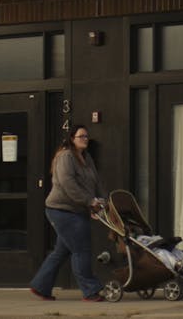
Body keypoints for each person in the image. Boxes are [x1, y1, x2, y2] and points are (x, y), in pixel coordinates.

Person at [28, 124, 106, 302]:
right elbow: (67, 183)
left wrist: (102, 201)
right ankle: (90, 291)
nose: (85, 139)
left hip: (78, 210)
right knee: (81, 249)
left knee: (61, 251)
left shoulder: (87, 157)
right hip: (61, 210)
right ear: (72, 139)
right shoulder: (66, 156)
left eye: (86, 136)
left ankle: (40, 286)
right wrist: (89, 202)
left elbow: (96, 182)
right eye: (81, 136)